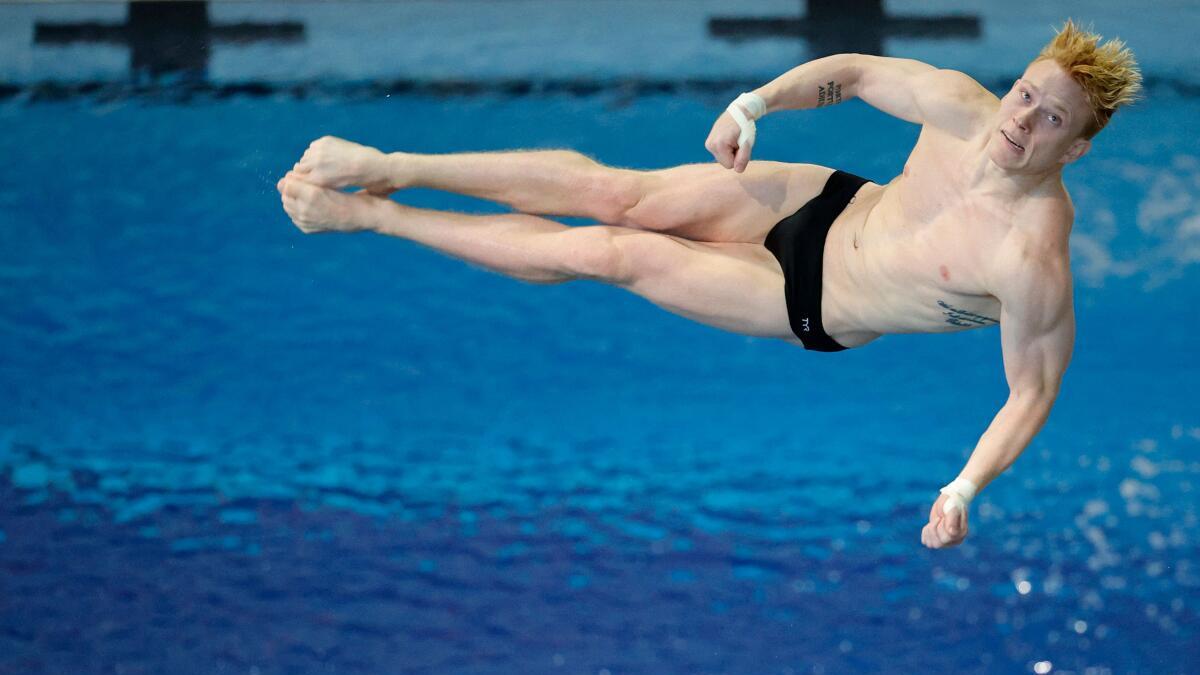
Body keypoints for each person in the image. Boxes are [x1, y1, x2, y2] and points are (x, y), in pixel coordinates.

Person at [276, 20, 1140, 549]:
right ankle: (392, 164)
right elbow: (861, 72)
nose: (1018, 120)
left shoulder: (1031, 254)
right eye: (1027, 93)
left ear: (1077, 148)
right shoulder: (964, 107)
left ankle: (373, 217)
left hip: (811, 302)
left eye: (1049, 118)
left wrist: (962, 488)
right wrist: (756, 103)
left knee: (610, 252)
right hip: (825, 200)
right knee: (616, 193)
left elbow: (1031, 389)